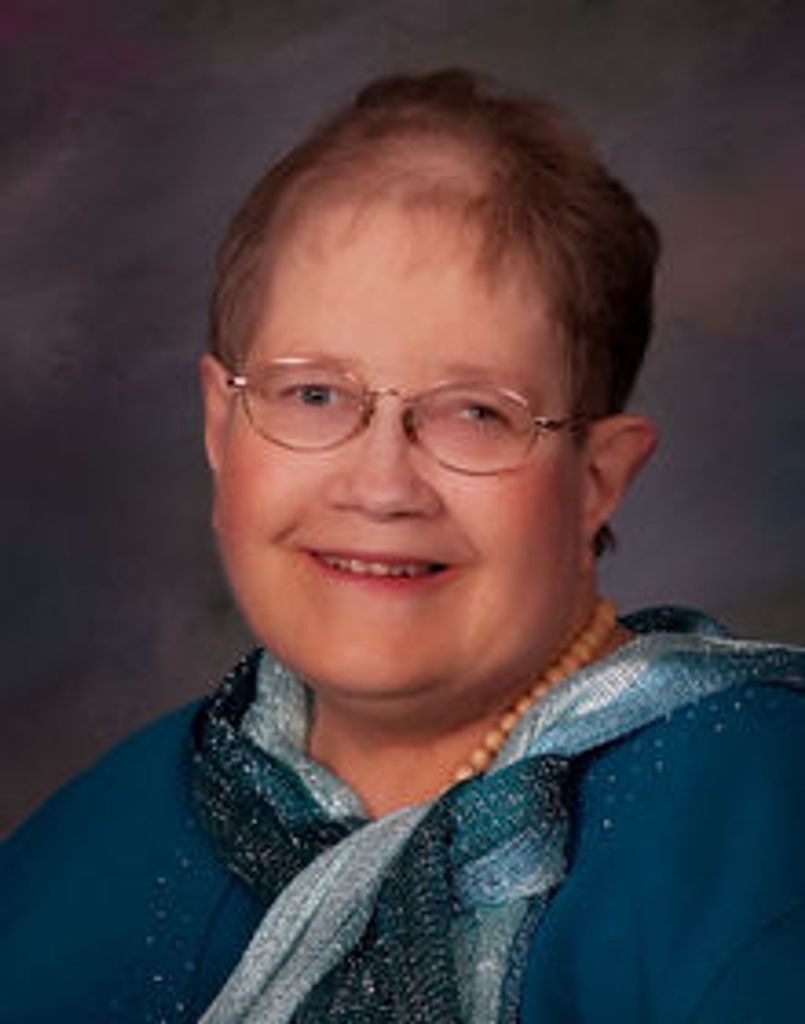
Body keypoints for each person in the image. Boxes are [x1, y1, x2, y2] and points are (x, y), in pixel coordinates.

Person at [2, 69, 804, 1024]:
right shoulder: (79, 861)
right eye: (313, 395)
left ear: (596, 476)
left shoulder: (754, 823)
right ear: (221, 427)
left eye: (475, 413)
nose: (381, 486)